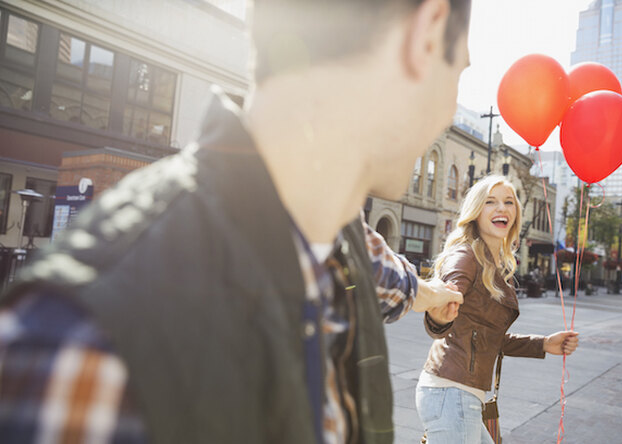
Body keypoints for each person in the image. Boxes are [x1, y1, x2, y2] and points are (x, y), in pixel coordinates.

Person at [0, 1, 471, 443]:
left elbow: (394, 282)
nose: (450, 108)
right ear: (426, 38)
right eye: (459, 71)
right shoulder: (88, 348)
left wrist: (437, 296)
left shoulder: (341, 241)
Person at [415, 176, 579, 444]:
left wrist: (544, 344)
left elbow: (487, 337)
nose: (501, 208)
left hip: (462, 395)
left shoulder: (494, 264)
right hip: (451, 393)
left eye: (508, 202)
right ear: (476, 211)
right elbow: (445, 301)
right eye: (490, 202)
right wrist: (437, 314)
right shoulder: (465, 257)